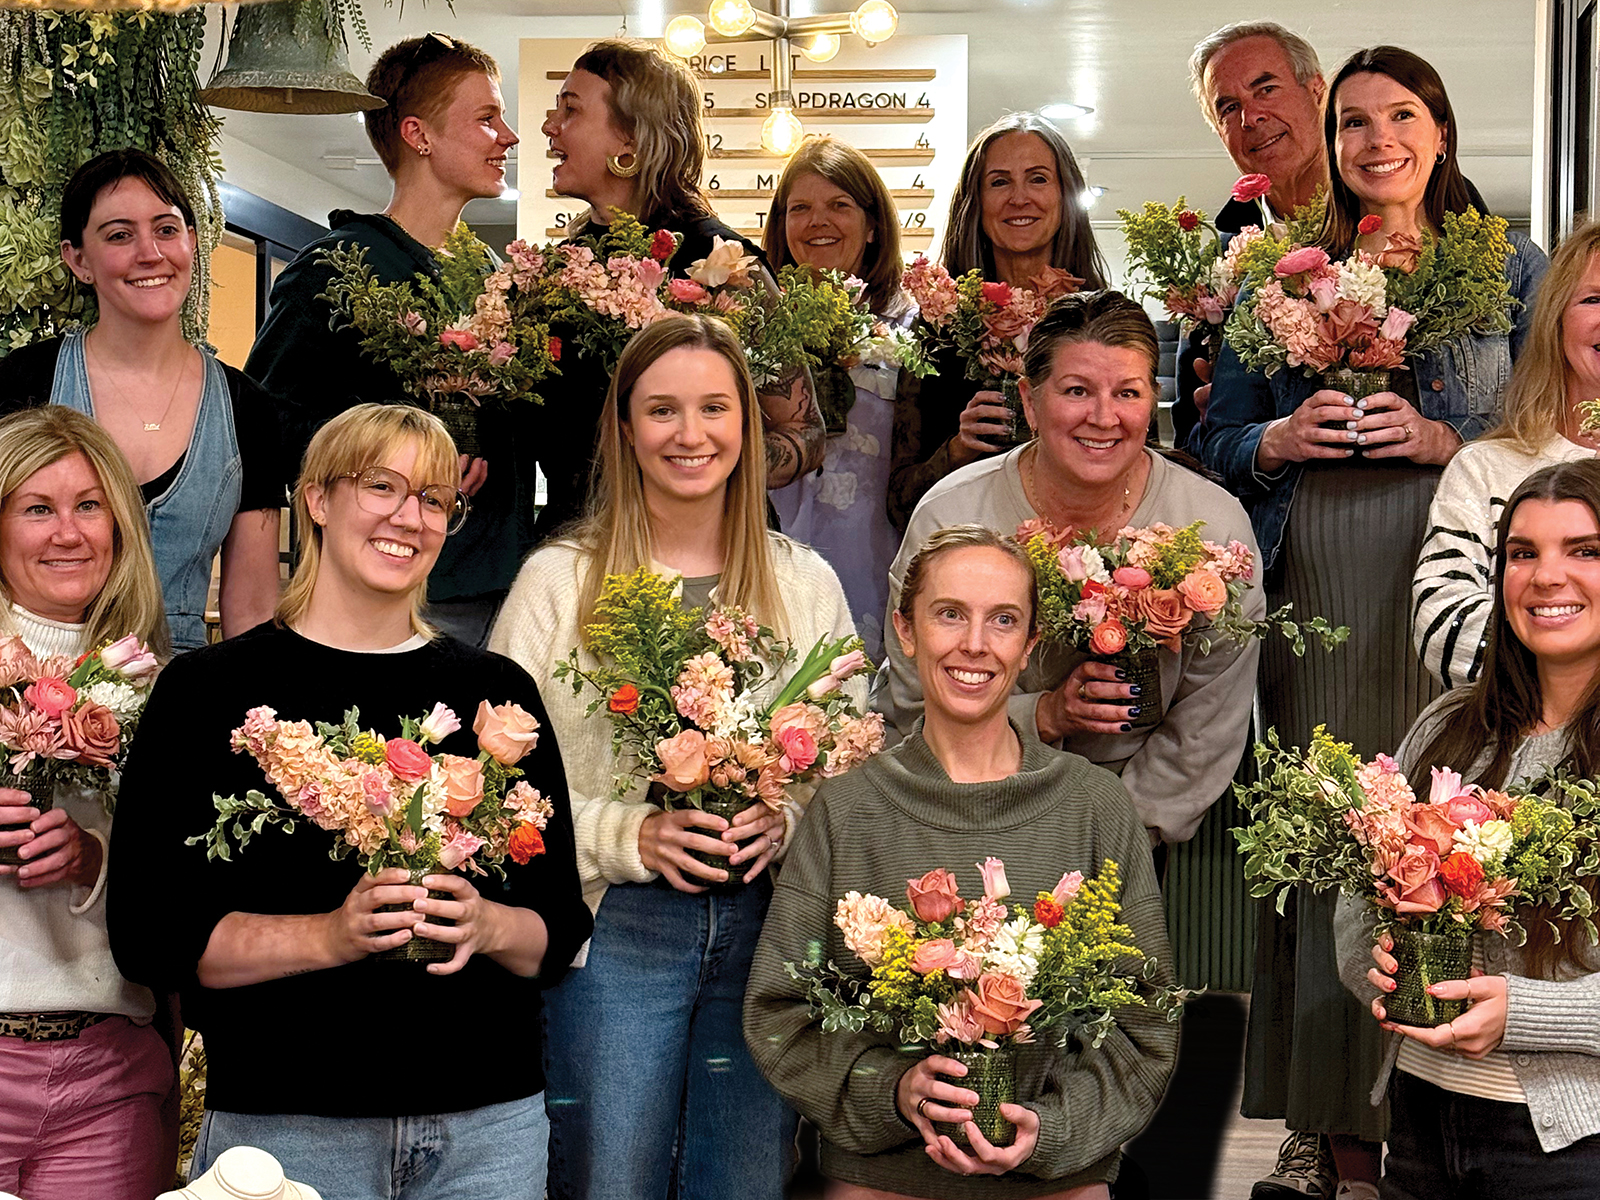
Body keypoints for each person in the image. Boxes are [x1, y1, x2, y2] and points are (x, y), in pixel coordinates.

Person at [1195, 45, 1550, 1200]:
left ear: (1439, 131)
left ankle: (1440, 1112)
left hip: (1459, 573)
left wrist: (1451, 438)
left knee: (1453, 829)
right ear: (1333, 141)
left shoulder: (1510, 265)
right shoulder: (1274, 273)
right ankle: (1326, 1130)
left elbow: (1551, 415)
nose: (1376, 138)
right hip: (1325, 574)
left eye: (1400, 115)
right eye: (1354, 121)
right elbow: (1211, 441)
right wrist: (1275, 439)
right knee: (1331, 837)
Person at [106, 403, 591, 1200]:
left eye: (434, 498)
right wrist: (330, 935)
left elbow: (557, 927)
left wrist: (487, 924)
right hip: (287, 1129)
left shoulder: (495, 694)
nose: (409, 517)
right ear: (317, 499)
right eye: (382, 487)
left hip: (486, 1129)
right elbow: (149, 938)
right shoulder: (208, 692)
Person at [488, 314, 857, 1200]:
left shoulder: (803, 582)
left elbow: (850, 763)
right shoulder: (558, 583)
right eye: (662, 410)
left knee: (745, 1181)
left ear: (748, 425)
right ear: (624, 427)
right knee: (610, 1180)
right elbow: (498, 790)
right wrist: (630, 835)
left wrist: (788, 818)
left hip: (768, 928)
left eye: (713, 408)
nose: (690, 434)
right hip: (612, 930)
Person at [746, 525, 1178, 1199]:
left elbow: (1146, 1025)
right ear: (905, 630)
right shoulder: (847, 810)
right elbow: (780, 1016)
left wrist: (1051, 1130)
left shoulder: (1095, 806)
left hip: (1056, 1184)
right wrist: (893, 1091)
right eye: (950, 614)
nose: (975, 644)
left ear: (1030, 645)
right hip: (884, 1180)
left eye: (1003, 620)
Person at [875, 291, 1261, 853]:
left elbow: (1205, 728)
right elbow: (914, 701)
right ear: (1030, 403)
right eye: (1077, 391)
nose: (1103, 418)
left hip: (1129, 827)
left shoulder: (1215, 528)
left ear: (1153, 400)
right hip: (958, 805)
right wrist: (1042, 716)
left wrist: (1113, 836)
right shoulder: (950, 515)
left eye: (1127, 393)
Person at [1337, 459, 1600, 1199]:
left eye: (1584, 550)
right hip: (1420, 1126)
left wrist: (1526, 1014)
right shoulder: (1447, 725)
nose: (1546, 577)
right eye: (1522, 553)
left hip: (1571, 1150)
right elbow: (1358, 900)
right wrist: (1375, 969)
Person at [245, 33, 527, 647]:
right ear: (418, 134)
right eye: (486, 118)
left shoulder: (492, 275)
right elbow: (266, 425)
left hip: (499, 586)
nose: (507, 137)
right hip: (391, 592)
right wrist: (394, 459)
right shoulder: (335, 268)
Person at [537, 38, 824, 542]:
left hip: (707, 549)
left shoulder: (726, 265)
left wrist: (701, 467)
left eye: (571, 110)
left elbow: (804, 431)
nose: (549, 126)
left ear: (630, 139)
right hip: (577, 548)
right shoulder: (558, 269)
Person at [0, 150, 281, 650]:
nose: (149, 253)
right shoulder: (20, 383)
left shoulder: (247, 408)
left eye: (166, 230)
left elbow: (253, 610)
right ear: (78, 259)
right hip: (33, 676)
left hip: (186, 683)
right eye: (119, 235)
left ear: (192, 241)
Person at [0, 407, 172, 1199]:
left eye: (89, 505)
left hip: (105, 1074)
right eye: (38, 508)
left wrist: (95, 857)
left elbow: (187, 892)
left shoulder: (163, 687)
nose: (68, 533)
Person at [886, 112, 1107, 532]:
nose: (1019, 198)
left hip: (1086, 552)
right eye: (1000, 182)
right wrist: (956, 452)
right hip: (967, 555)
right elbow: (898, 505)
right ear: (975, 202)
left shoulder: (1105, 320)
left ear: (1065, 194)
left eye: (1038, 179)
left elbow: (1143, 464)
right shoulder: (937, 329)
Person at [1414, 220, 1600, 690]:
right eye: (1594, 300)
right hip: (1514, 724)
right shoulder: (1485, 467)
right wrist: (1570, 673)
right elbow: (1441, 620)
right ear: (1555, 320)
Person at [766, 135, 916, 659]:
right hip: (770, 559)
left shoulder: (913, 325)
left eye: (839, 205)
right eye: (799, 209)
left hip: (879, 565)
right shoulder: (755, 322)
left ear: (873, 225)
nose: (817, 222)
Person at [1177, 21, 1329, 446]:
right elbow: (1189, 434)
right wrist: (1213, 419)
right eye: (1228, 108)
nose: (1251, 117)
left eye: (1267, 89)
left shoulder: (1399, 218)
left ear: (1317, 91)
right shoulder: (1214, 262)